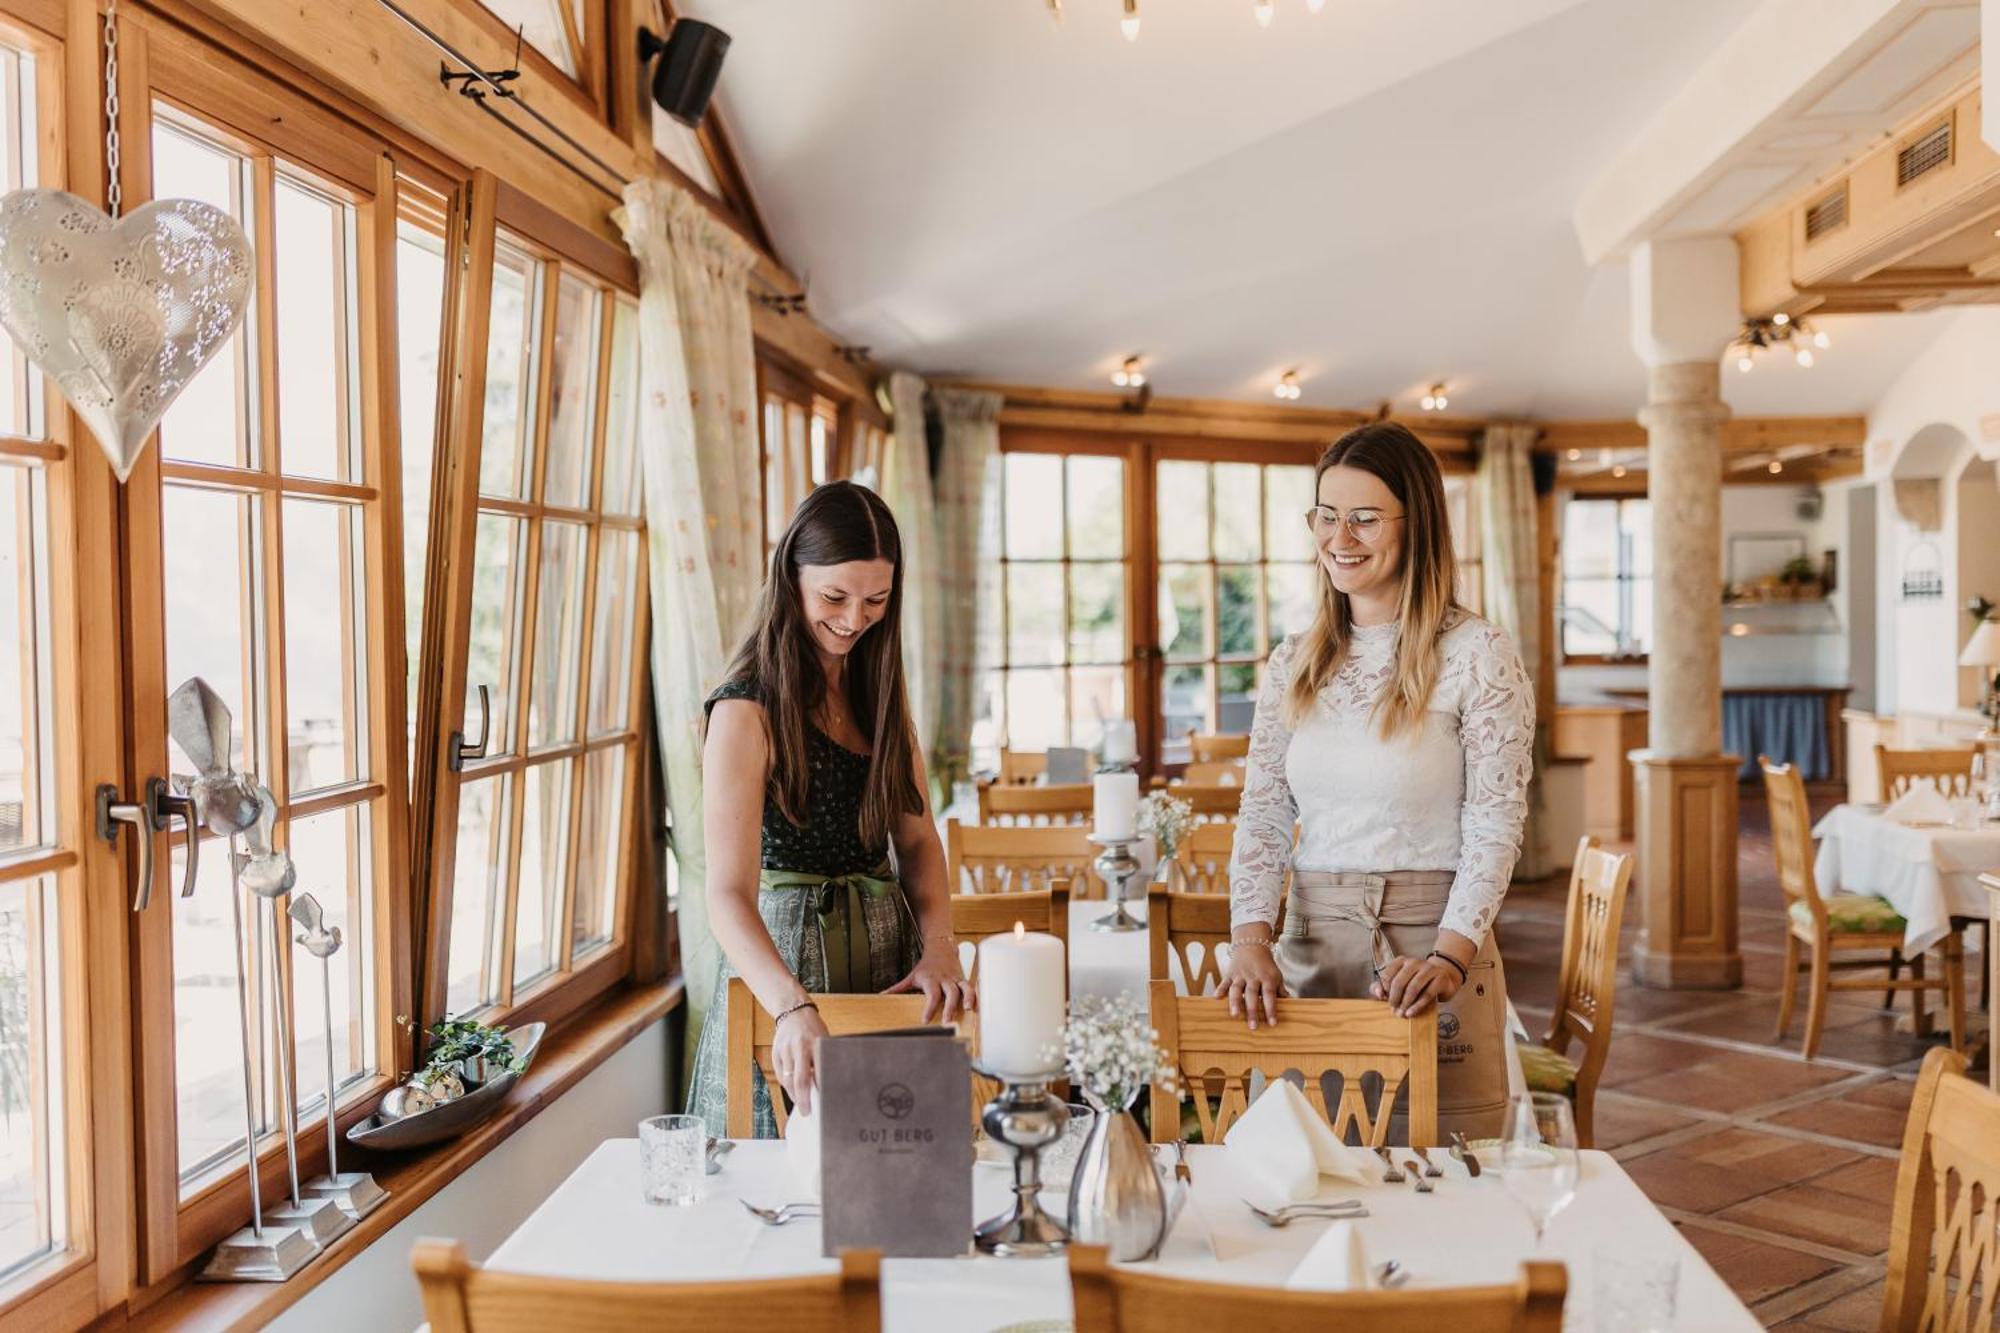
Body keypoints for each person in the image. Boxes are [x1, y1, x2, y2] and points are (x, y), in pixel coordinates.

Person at [1221, 421, 1534, 1140]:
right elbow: (1265, 809)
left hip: (1432, 951)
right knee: (1308, 1167)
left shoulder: (1476, 653)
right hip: (1310, 952)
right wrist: (1250, 938)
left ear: (1415, 522)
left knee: (1452, 1174)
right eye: (1326, 516)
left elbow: (1495, 819)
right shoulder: (1292, 661)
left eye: (1364, 517)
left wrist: (1451, 953)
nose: (1340, 536)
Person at [687, 482, 972, 1138]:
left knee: (894, 1179)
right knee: (786, 1190)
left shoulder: (879, 692)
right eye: (834, 597)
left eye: (876, 600)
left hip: (888, 971)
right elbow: (726, 894)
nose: (853, 620)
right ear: (791, 578)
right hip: (787, 978)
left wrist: (939, 948)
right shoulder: (745, 707)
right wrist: (792, 1007)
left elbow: (919, 840)